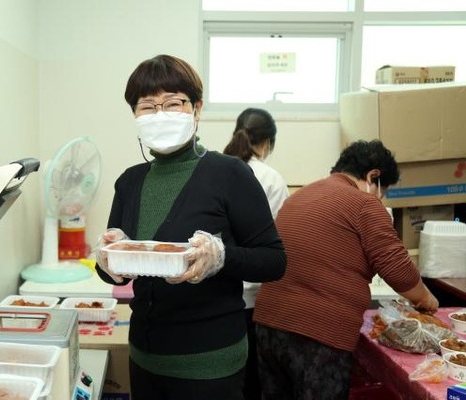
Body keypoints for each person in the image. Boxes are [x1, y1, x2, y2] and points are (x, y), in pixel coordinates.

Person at [95, 54, 287, 400]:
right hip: (145, 357)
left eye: (173, 103)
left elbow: (274, 261)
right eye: (148, 107)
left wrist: (221, 257)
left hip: (210, 363)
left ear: (197, 109)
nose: (160, 115)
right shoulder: (129, 182)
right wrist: (109, 259)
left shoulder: (229, 174)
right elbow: (112, 274)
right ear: (135, 115)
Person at [253, 139, 439, 400]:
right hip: (317, 335)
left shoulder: (302, 195)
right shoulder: (363, 203)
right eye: (382, 190)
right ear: (373, 176)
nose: (379, 198)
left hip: (269, 325)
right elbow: (398, 269)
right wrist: (426, 299)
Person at [223, 107, 289, 400]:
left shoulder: (214, 168)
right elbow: (278, 241)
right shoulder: (271, 179)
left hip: (212, 292)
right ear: (268, 143)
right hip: (252, 300)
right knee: (249, 382)